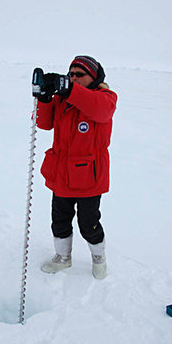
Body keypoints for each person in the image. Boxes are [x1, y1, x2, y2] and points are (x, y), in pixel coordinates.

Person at [34, 55, 117, 279]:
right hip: (61, 174)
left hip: (89, 176)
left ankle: (99, 258)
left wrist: (68, 89)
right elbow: (43, 124)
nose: (73, 78)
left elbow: (101, 111)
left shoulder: (106, 97)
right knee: (59, 219)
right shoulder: (64, 99)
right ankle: (63, 257)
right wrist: (44, 98)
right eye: (70, 74)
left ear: (94, 77)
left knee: (88, 223)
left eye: (79, 75)